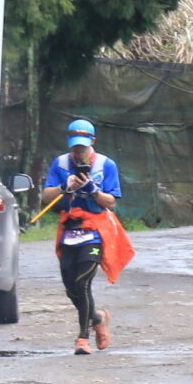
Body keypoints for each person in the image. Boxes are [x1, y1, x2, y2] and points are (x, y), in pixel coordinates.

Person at [41, 120, 126, 355]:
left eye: (83, 146)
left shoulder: (106, 164)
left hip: (95, 230)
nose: (78, 151)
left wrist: (93, 190)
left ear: (93, 142)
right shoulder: (60, 163)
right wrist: (64, 187)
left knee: (82, 282)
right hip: (70, 229)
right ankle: (98, 317)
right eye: (75, 146)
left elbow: (112, 202)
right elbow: (46, 196)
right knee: (71, 288)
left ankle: (82, 338)